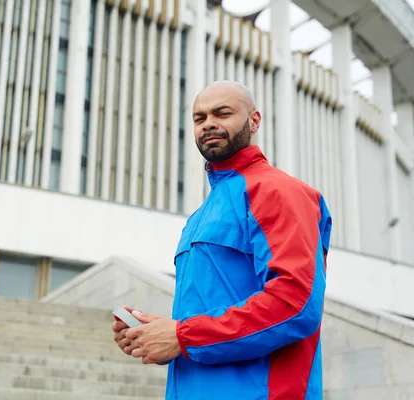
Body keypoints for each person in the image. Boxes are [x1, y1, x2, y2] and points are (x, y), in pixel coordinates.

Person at [112, 81, 332, 400]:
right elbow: (210, 313)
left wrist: (182, 336)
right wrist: (153, 335)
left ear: (254, 120)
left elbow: (295, 304)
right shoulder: (200, 216)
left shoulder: (278, 192)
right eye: (199, 118)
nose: (209, 123)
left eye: (222, 113)